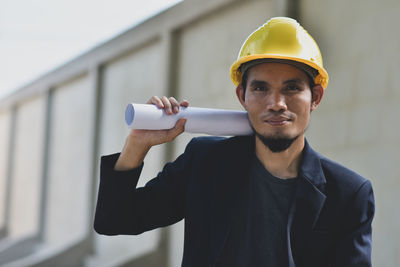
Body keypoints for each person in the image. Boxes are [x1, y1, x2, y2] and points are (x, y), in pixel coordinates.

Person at [94, 17, 374, 267]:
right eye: (261, 88)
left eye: (291, 88)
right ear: (242, 96)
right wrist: (137, 144)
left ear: (315, 97)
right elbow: (114, 220)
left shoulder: (349, 194)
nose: (276, 104)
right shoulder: (204, 163)